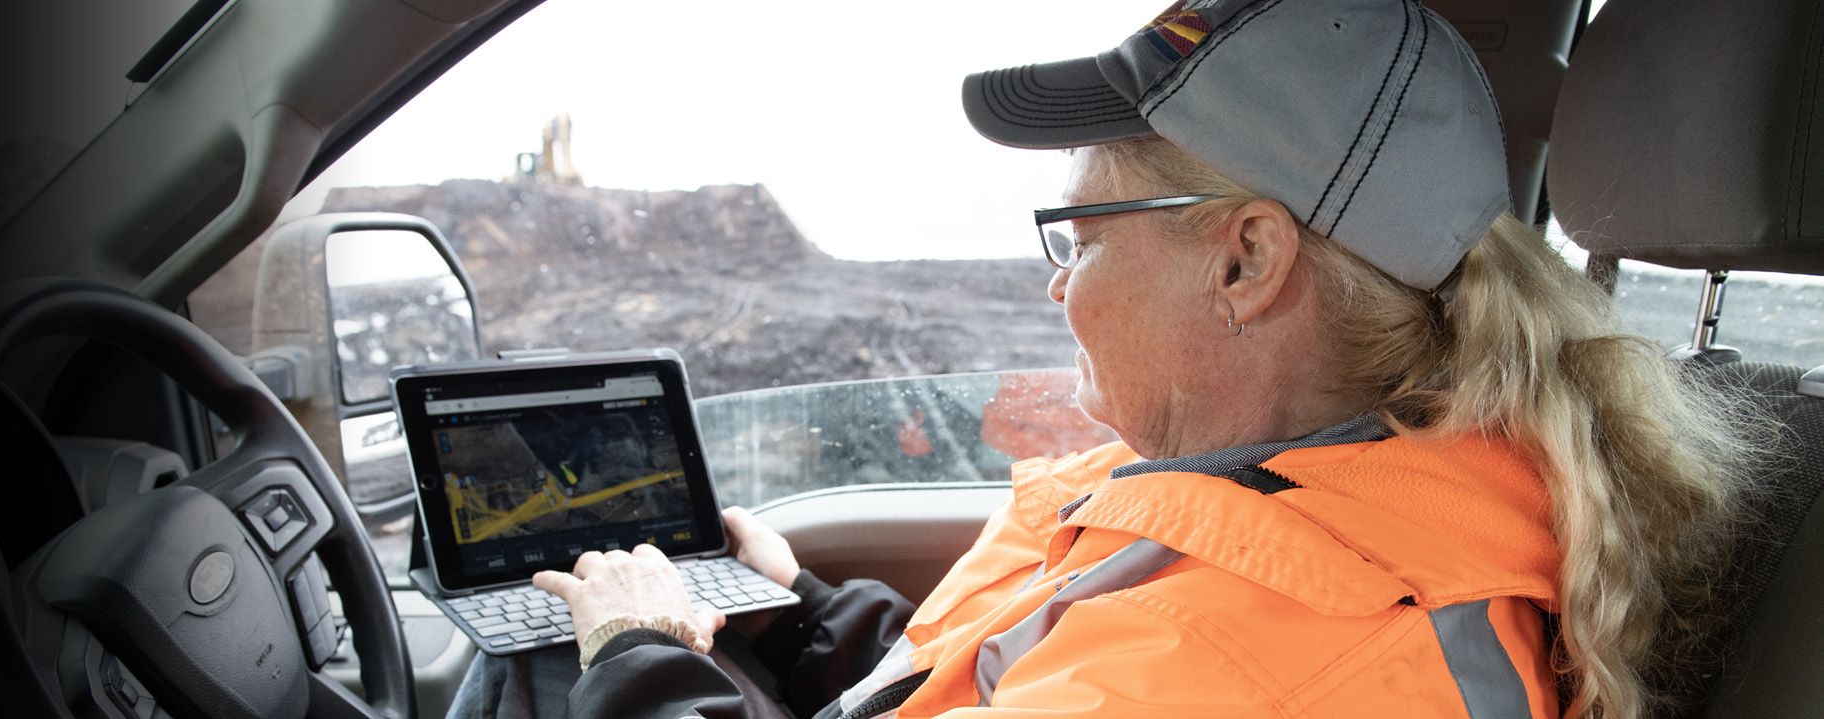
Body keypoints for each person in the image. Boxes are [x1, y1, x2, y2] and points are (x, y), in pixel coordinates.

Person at [447, 0, 1762, 717]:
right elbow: (1006, 676)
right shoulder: (1268, 505)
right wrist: (798, 612)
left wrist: (638, 660)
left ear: (1246, 261)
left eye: (1078, 235)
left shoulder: (1270, 665)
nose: (1058, 281)